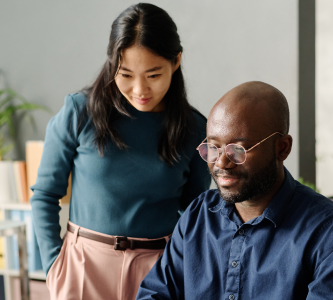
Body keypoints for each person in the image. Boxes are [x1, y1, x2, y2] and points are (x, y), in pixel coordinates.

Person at [30, 3, 211, 300]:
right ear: (112, 62)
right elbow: (45, 194)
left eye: (153, 75)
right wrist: (54, 265)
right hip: (83, 267)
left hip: (158, 273)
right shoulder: (80, 111)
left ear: (176, 61)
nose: (140, 89)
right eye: (126, 74)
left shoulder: (194, 129)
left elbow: (194, 216)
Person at [136, 81, 333, 300]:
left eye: (238, 149)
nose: (221, 163)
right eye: (213, 147)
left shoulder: (331, 233)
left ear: (282, 148)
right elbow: (154, 294)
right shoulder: (198, 215)